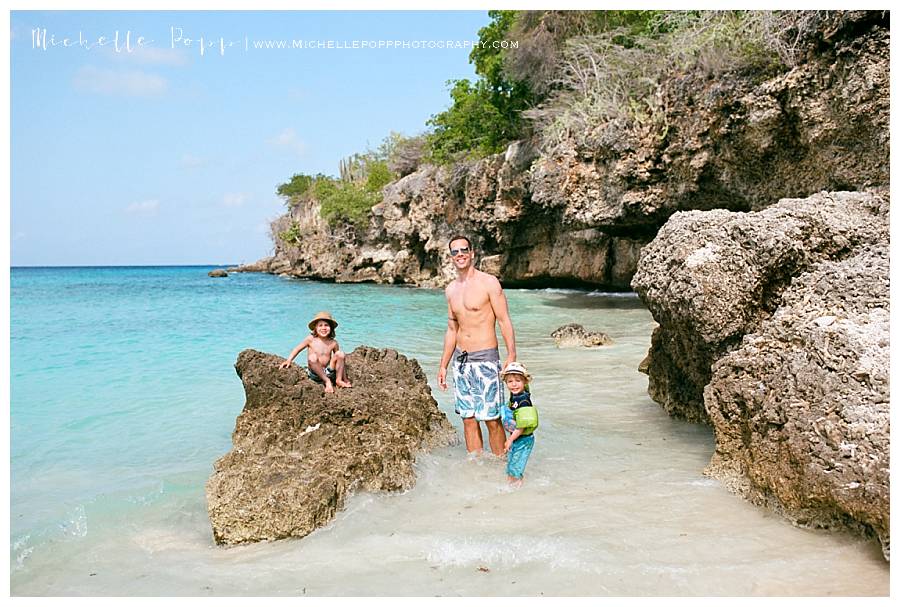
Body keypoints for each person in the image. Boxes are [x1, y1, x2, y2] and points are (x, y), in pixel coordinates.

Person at [438, 235, 517, 456]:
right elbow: (452, 329)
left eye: (464, 250)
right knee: (468, 418)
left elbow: (504, 320)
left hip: (486, 360)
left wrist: (511, 355)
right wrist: (443, 365)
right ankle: (477, 470)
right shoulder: (451, 290)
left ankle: (502, 464)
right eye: (455, 251)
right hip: (461, 364)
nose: (460, 254)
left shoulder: (489, 283)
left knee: (492, 420)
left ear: (472, 253)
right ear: (451, 257)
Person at [279, 311, 352, 394]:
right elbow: (297, 349)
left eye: (326, 325)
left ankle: (338, 380)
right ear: (315, 329)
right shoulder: (310, 339)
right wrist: (289, 360)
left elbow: (340, 361)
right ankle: (327, 381)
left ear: (331, 328)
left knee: (340, 354)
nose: (323, 328)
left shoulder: (333, 342)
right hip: (315, 373)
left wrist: (345, 378)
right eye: (320, 325)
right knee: (312, 357)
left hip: (329, 371)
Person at [500, 362, 539, 486]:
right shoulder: (515, 396)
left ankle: (517, 487)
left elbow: (521, 426)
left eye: (518, 380)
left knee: (516, 466)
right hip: (517, 437)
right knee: (512, 463)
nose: (514, 384)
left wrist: (509, 440)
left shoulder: (524, 402)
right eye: (510, 381)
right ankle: (510, 483)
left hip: (523, 439)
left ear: (525, 382)